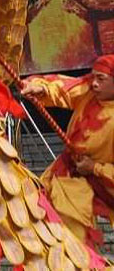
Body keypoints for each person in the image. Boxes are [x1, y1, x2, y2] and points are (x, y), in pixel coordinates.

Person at [20, 55, 114, 249]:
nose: (94, 84)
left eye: (101, 79)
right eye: (94, 77)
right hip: (64, 173)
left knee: (74, 244)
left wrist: (94, 168)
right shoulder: (90, 91)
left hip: (92, 183)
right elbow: (66, 87)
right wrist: (41, 87)